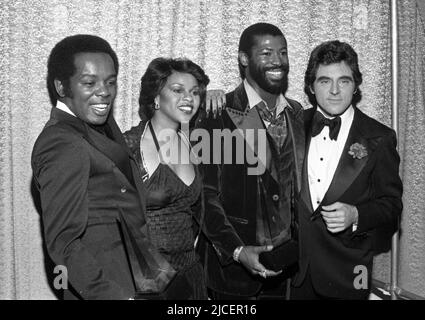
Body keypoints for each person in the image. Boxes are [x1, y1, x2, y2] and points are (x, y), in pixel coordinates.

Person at [124, 57, 261, 299]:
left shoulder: (195, 141)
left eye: (195, 92)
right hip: (146, 280)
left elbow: (206, 210)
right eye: (177, 90)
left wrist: (238, 250)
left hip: (190, 275)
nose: (188, 98)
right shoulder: (129, 147)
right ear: (155, 97)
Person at [31, 34, 147, 299]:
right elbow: (64, 242)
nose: (104, 91)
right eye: (89, 82)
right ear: (61, 87)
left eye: (110, 82)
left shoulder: (96, 121)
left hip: (133, 279)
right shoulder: (62, 143)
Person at [196, 23, 305, 299]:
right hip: (234, 275)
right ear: (244, 59)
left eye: (283, 52)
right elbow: (206, 196)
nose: (277, 61)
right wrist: (237, 250)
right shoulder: (217, 113)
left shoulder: (296, 113)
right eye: (266, 53)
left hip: (286, 269)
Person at [291, 40, 403, 300]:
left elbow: (392, 204)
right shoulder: (292, 124)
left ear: (355, 86)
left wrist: (356, 215)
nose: (334, 91)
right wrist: (215, 98)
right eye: (323, 81)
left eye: (343, 81)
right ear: (310, 86)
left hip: (351, 272)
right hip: (293, 273)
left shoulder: (380, 137)